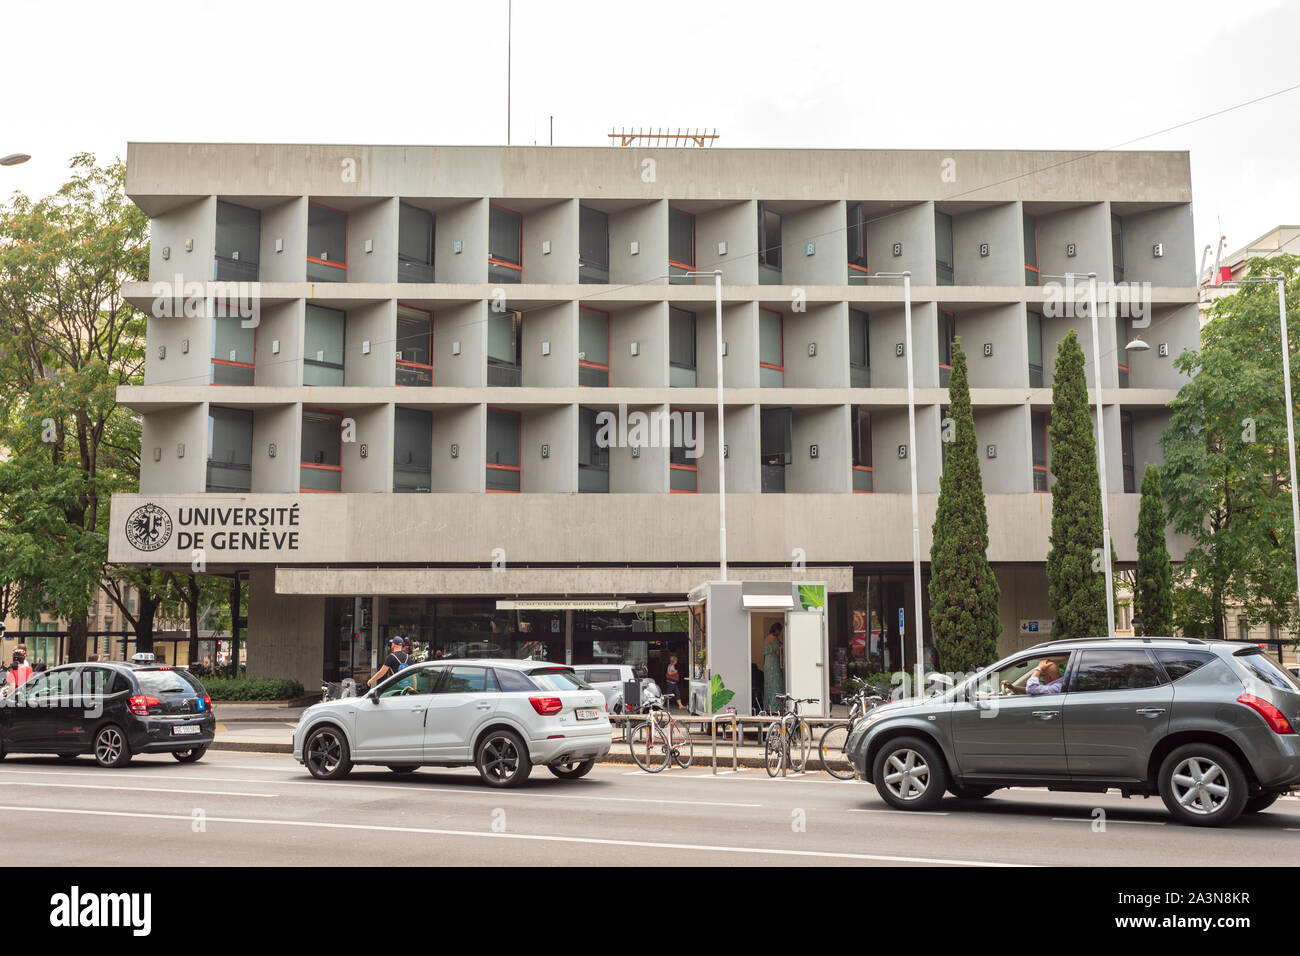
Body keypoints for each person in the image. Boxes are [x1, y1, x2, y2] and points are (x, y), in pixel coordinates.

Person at [763, 622, 785, 712]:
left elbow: (764, 653)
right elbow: (778, 652)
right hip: (774, 663)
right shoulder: (775, 639)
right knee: (776, 684)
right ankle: (775, 707)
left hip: (767, 663)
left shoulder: (766, 638)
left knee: (769, 685)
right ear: (776, 630)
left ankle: (768, 707)